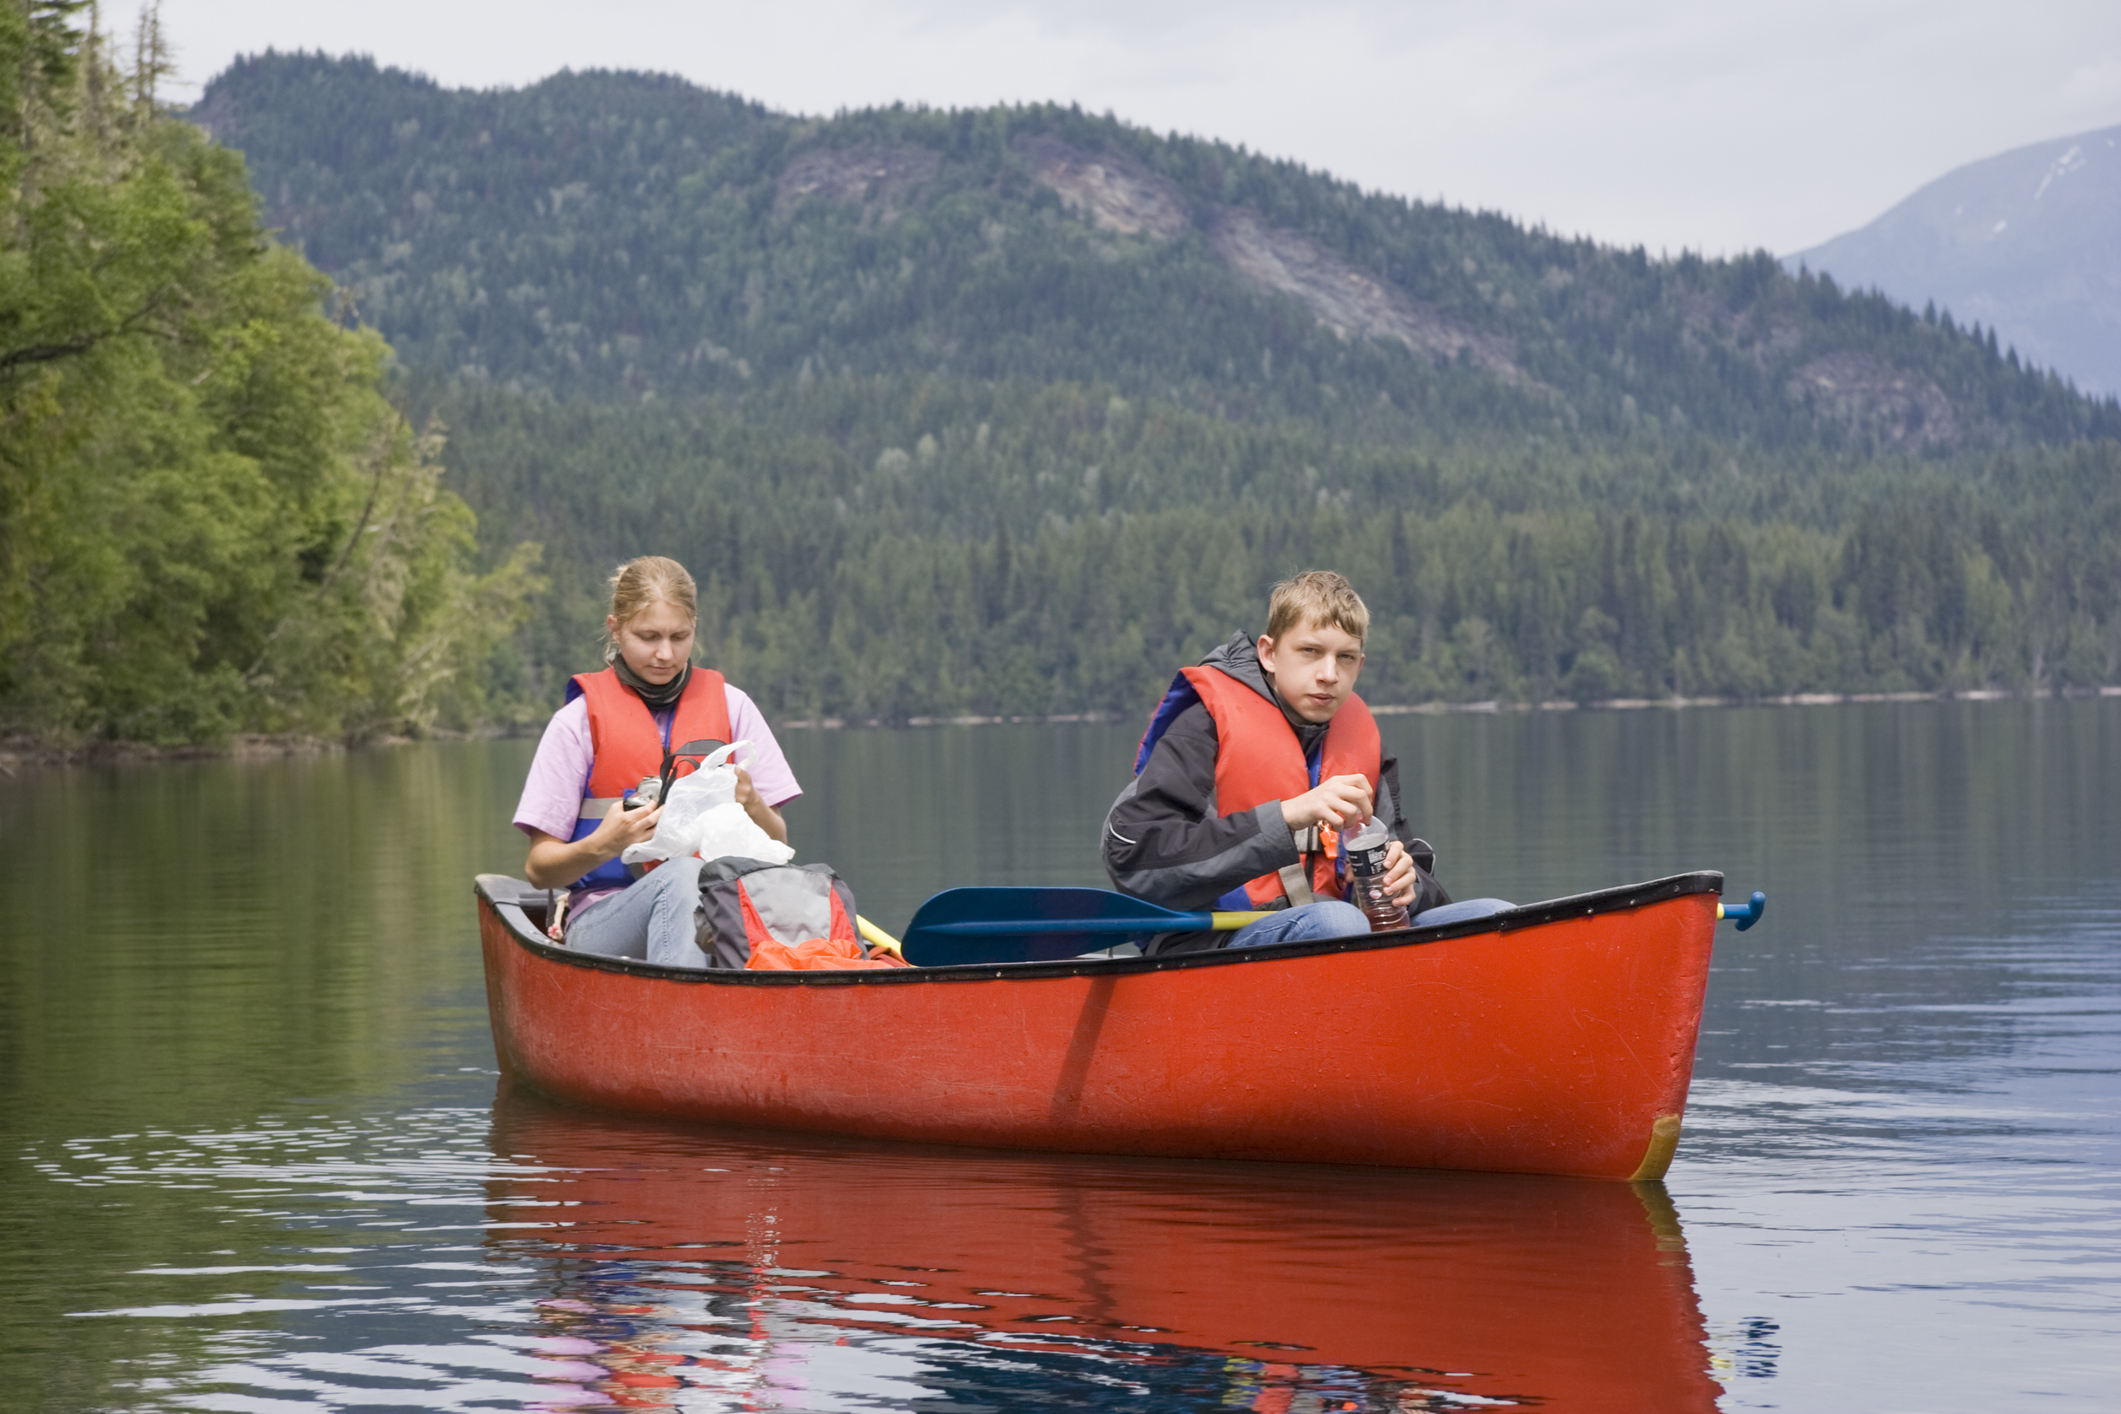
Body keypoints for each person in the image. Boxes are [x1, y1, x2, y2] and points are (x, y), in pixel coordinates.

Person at [1103, 570, 1509, 953]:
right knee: (1337, 923)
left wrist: (1411, 883)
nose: (1329, 674)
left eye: (1345, 658)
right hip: (1211, 942)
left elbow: (1414, 873)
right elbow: (1135, 859)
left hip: (1339, 933)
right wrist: (1288, 816)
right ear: (1270, 653)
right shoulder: (1204, 726)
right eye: (1310, 652)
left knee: (1496, 916)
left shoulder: (1360, 739)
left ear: (1359, 666)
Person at [512, 556, 801, 967]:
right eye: (647, 637)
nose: (665, 653)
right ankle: (686, 1020)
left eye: (679, 636)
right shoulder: (576, 723)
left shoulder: (733, 707)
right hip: (605, 919)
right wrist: (603, 845)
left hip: (721, 915)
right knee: (682, 877)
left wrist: (752, 802)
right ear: (615, 628)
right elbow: (539, 870)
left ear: (694, 628)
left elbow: (779, 843)